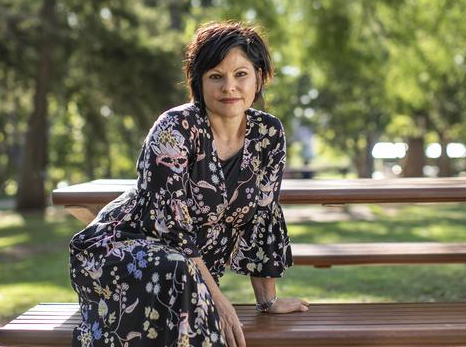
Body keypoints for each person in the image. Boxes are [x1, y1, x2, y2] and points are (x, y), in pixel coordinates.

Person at [69, 21, 309, 347]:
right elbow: (172, 231)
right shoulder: (175, 128)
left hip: (189, 275)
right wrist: (218, 300)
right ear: (198, 81)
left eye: (241, 74)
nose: (229, 87)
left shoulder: (268, 134)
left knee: (186, 290)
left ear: (259, 77)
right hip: (122, 251)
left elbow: (262, 214)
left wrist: (267, 301)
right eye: (216, 76)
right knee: (184, 285)